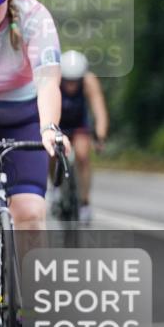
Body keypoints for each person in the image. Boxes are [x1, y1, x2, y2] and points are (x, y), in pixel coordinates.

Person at [0, 0, 70, 327]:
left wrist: (50, 129)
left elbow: (49, 80)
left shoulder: (34, 17)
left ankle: (34, 316)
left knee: (30, 211)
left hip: (22, 111)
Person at [57, 50, 108, 224]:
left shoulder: (89, 81)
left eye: (75, 81)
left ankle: (84, 202)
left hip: (79, 124)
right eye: (67, 81)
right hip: (58, 124)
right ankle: (55, 187)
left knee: (83, 156)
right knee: (51, 153)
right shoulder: (54, 80)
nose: (71, 85)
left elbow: (99, 111)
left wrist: (100, 137)